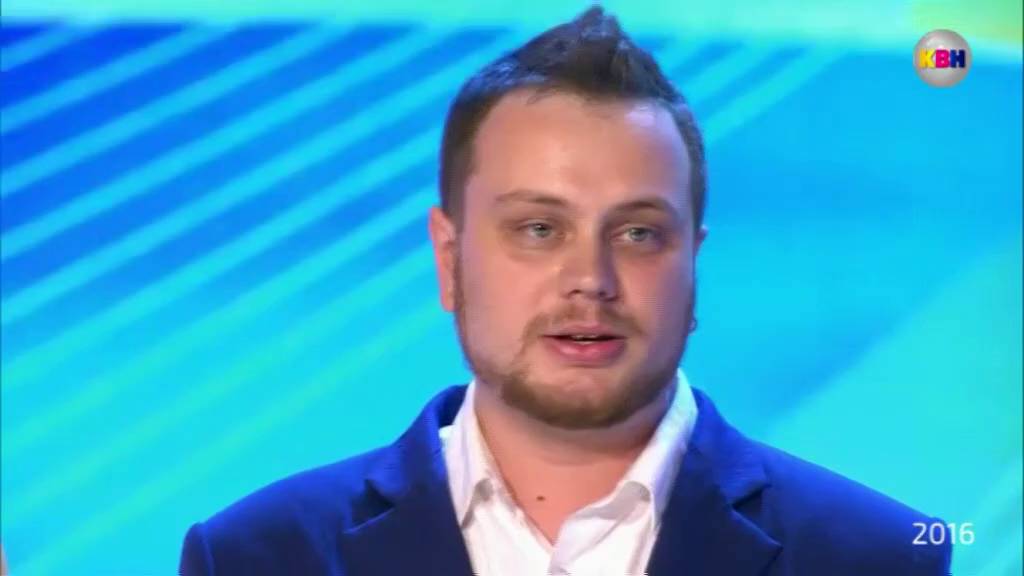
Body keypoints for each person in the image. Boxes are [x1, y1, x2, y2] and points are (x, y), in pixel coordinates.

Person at [179, 7, 951, 575]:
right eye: (539, 229)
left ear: (693, 263)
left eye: (638, 233)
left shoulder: (879, 558)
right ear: (449, 259)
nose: (591, 279)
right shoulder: (256, 557)